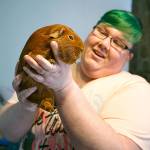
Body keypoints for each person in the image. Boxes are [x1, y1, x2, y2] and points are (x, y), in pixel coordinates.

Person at [0, 9, 150, 150]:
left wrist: (64, 88)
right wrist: (27, 106)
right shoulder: (51, 68)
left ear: (128, 57)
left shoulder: (136, 89)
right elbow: (8, 134)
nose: (104, 44)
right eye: (102, 31)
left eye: (118, 43)